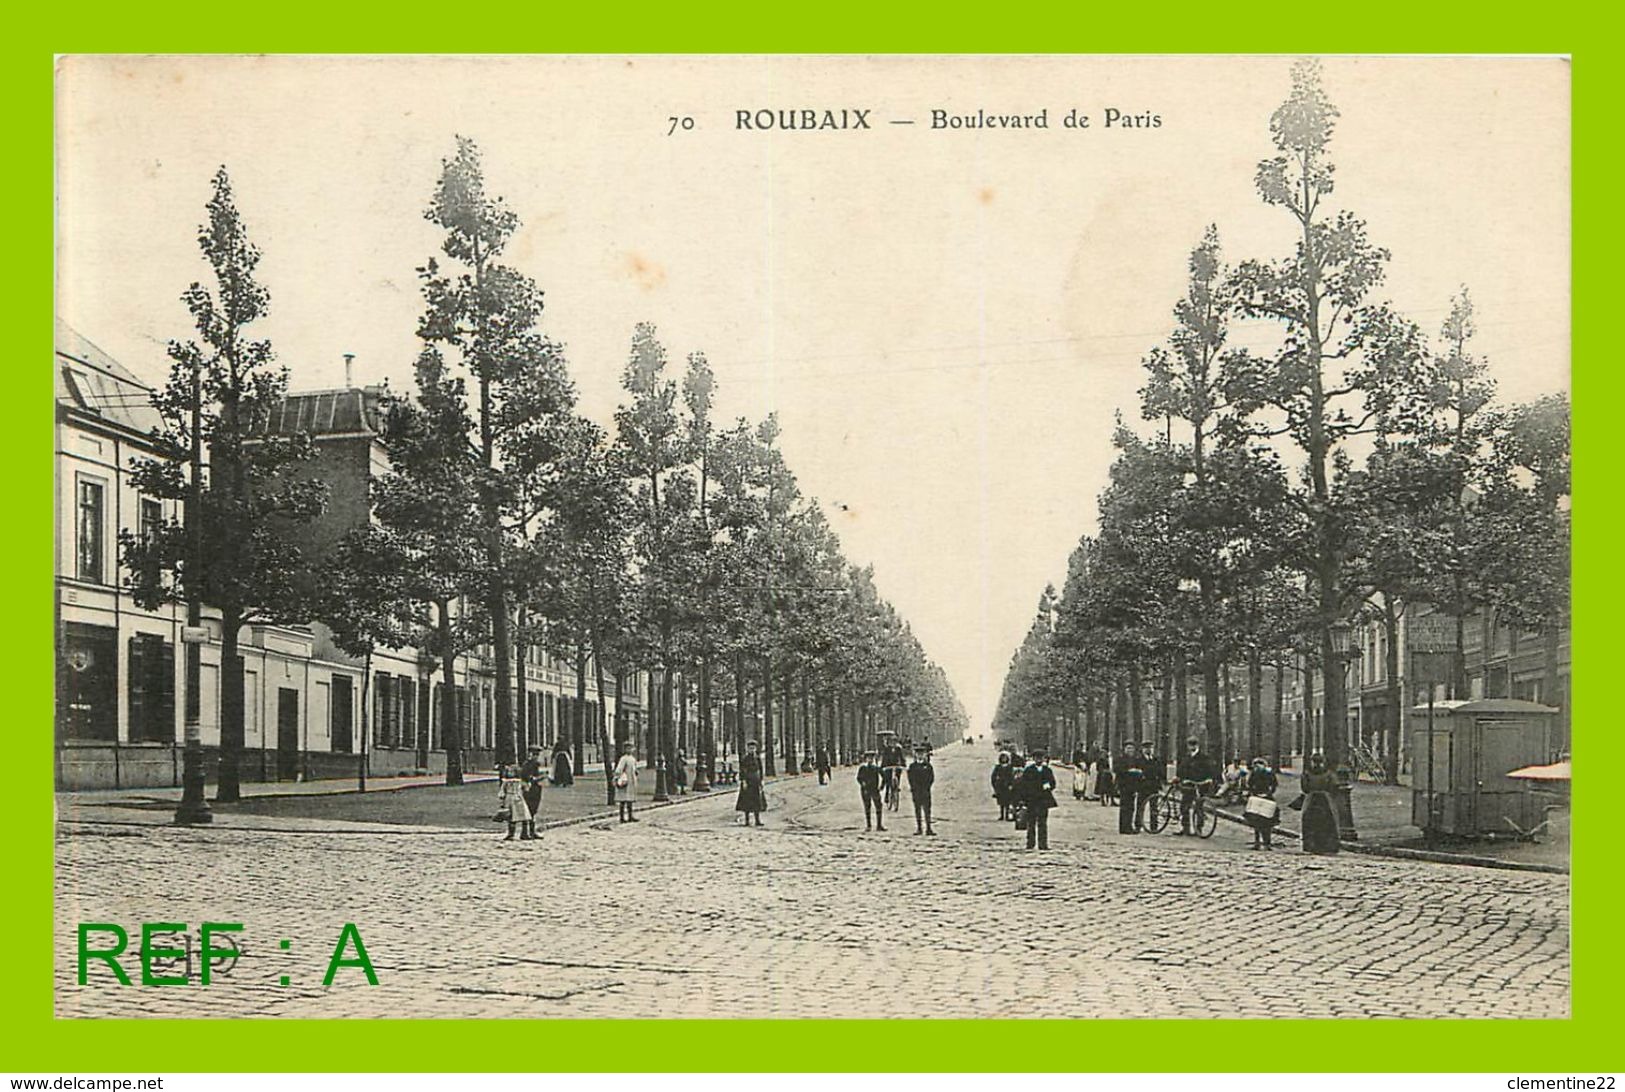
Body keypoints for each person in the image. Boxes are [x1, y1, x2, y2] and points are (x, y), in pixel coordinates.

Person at [1175, 736, 1220, 835]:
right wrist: (1180, 778)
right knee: (1184, 806)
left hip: (1201, 784)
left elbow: (1211, 769)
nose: (1192, 746)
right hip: (1189, 785)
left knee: (1199, 807)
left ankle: (1198, 828)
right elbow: (1181, 770)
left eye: (1194, 744)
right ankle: (1185, 828)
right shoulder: (1186, 757)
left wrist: (1209, 779)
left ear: (1197, 745)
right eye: (1190, 744)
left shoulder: (1204, 757)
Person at [1297, 753, 1341, 854]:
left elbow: (1304, 787)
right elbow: (1335, 786)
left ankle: (1311, 845)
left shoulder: (1307, 774)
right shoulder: (1329, 773)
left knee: (1309, 821)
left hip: (1311, 799)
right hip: (1325, 800)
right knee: (1329, 821)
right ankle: (1327, 846)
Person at [1018, 750, 1058, 850]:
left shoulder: (1047, 770)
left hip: (1043, 800)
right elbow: (1023, 785)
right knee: (1031, 823)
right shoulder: (1028, 770)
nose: (1039, 759)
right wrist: (1023, 799)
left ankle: (1043, 844)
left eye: (1041, 757)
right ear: (1033, 759)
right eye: (1036, 757)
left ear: (1044, 759)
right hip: (1031, 800)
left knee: (1043, 823)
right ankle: (1030, 843)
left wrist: (1048, 786)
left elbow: (1053, 783)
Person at [1243, 757, 1280, 849]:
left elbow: (1274, 784)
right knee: (1256, 822)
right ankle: (1258, 842)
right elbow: (1250, 784)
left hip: (1266, 798)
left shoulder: (1268, 773)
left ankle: (1266, 843)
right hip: (1258, 797)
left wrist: (1268, 793)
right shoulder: (1255, 774)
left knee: (1266, 822)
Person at [496, 764, 535, 841]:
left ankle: (521, 833)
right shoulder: (508, 782)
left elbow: (502, 793)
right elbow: (527, 788)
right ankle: (516, 834)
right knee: (515, 817)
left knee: (522, 817)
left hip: (514, 798)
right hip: (515, 798)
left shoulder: (514, 782)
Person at [1115, 741, 1145, 834]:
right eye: (1128, 748)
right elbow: (1118, 770)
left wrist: (1137, 772)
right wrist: (1129, 771)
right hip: (1124, 786)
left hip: (1133, 786)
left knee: (1131, 807)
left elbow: (1140, 770)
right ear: (1124, 750)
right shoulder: (1120, 759)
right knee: (1125, 807)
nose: (1130, 750)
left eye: (1132, 748)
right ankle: (1124, 827)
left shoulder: (1135, 759)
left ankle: (1129, 826)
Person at [736, 739, 766, 827]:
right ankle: (747, 820)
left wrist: (761, 780)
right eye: (750, 748)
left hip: (756, 781)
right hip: (748, 781)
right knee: (747, 801)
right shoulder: (745, 759)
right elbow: (742, 770)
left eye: (753, 748)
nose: (752, 750)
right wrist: (743, 781)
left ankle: (757, 820)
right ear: (747, 749)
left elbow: (760, 770)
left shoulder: (757, 758)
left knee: (757, 800)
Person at [1137, 739, 1165, 832]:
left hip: (1154, 786)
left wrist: (1162, 781)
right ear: (1142, 749)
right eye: (1146, 748)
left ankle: (1154, 826)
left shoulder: (1156, 759)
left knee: (1154, 807)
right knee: (1140, 806)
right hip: (1143, 786)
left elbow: (1161, 771)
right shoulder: (1139, 760)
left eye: (1150, 748)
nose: (1148, 750)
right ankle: (1138, 825)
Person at [907, 747, 936, 835]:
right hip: (916, 791)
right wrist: (913, 788)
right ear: (915, 755)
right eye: (918, 754)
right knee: (917, 809)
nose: (920, 756)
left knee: (927, 810)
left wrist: (927, 787)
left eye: (921, 754)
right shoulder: (912, 766)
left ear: (924, 755)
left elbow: (931, 778)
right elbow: (910, 779)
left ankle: (928, 828)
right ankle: (919, 828)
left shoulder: (928, 766)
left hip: (925, 791)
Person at [857, 750, 886, 831]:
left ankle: (879, 825)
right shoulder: (863, 768)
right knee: (867, 807)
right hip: (865, 790)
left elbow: (884, 776)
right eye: (868, 758)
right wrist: (863, 784)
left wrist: (882, 786)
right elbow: (859, 778)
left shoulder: (876, 768)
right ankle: (869, 825)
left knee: (878, 806)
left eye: (871, 758)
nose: (870, 760)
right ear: (866, 759)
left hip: (874, 790)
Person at [520, 745, 546, 825]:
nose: (536, 756)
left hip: (534, 788)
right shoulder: (529, 764)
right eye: (535, 754)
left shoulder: (533, 764)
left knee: (533, 810)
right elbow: (529, 778)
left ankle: (531, 831)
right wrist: (541, 777)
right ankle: (526, 832)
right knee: (529, 809)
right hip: (530, 789)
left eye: (537, 755)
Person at [991, 752, 1016, 820]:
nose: (1004, 759)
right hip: (1000, 786)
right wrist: (995, 784)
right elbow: (993, 776)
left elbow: (1012, 776)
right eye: (1002, 758)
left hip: (1007, 786)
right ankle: (1002, 815)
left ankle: (1007, 815)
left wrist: (1011, 784)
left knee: (1007, 802)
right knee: (1001, 802)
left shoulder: (1010, 767)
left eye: (1005, 758)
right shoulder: (998, 767)